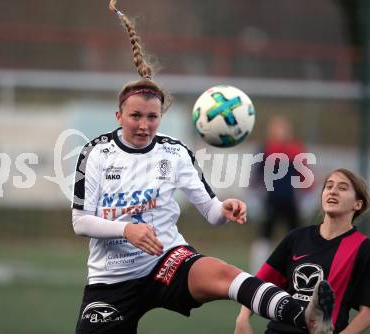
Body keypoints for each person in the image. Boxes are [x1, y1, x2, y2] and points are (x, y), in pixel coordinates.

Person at [72, 1, 334, 333]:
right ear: (118, 116)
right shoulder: (95, 153)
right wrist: (127, 229)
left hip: (165, 261)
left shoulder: (175, 152)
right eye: (135, 116)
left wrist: (224, 209)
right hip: (112, 280)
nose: (144, 124)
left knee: (222, 273)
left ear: (161, 117)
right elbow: (80, 221)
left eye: (152, 116)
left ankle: (305, 315)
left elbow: (210, 211)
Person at [235, 168, 370, 334]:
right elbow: (258, 284)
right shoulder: (296, 237)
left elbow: (367, 312)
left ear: (358, 204)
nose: (333, 191)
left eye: (342, 188)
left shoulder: (363, 248)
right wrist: (242, 319)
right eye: (328, 186)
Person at [249, 115, 308, 273]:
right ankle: (258, 270)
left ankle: (297, 268)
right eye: (277, 127)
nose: (280, 131)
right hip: (271, 201)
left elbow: (305, 176)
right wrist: (257, 196)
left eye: (283, 127)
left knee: (296, 235)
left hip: (290, 201)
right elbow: (256, 177)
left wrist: (305, 197)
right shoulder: (265, 149)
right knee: (265, 235)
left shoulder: (295, 149)